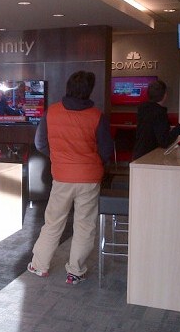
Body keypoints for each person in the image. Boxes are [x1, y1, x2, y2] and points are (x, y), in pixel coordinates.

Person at [27, 71, 114, 284]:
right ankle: (75, 271)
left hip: (62, 177)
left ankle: (39, 265)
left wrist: (58, 157)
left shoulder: (52, 112)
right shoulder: (97, 116)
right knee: (84, 225)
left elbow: (40, 144)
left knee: (53, 222)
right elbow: (106, 151)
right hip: (89, 178)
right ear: (89, 90)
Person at [132, 80, 180, 160]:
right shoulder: (159, 112)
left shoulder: (143, 109)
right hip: (150, 157)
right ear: (164, 95)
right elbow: (164, 141)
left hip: (139, 154)